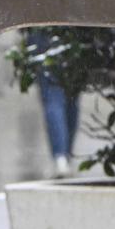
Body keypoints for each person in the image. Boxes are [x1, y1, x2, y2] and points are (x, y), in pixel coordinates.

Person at [26, 29, 80, 178]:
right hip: (73, 30)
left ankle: (60, 156)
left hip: (44, 28)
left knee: (53, 96)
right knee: (71, 96)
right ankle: (65, 155)